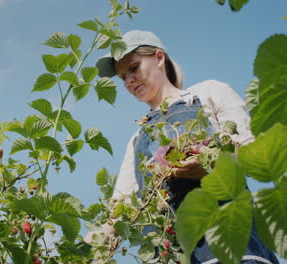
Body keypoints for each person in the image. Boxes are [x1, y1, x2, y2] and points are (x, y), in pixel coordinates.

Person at [87, 30, 279, 264]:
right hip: (171, 255)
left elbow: (252, 154)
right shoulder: (138, 137)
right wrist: (80, 252)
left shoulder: (209, 92)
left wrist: (213, 162)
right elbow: (120, 209)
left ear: (159, 58)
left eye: (134, 68)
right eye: (122, 76)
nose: (129, 81)